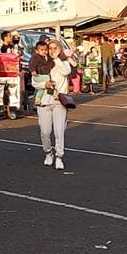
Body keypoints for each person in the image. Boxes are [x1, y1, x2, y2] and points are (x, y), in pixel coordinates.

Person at [30, 38, 73, 169]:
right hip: (43, 101)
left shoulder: (63, 63)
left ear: (60, 49)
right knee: (45, 131)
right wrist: (45, 84)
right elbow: (34, 81)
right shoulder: (40, 62)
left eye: (56, 48)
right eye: (50, 48)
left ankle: (59, 156)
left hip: (59, 101)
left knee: (59, 131)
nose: (52, 51)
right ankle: (48, 152)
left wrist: (56, 59)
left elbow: (66, 72)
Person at [0, 31, 23, 119]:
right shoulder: (4, 48)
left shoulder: (12, 46)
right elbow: (9, 58)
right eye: (10, 36)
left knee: (12, 91)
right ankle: (7, 110)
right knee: (7, 92)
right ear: (5, 38)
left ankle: (10, 109)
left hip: (13, 71)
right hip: (6, 72)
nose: (12, 38)